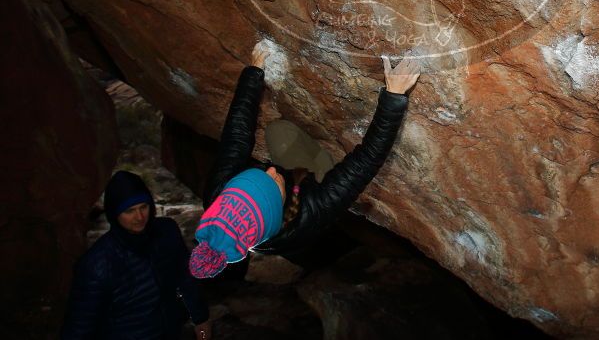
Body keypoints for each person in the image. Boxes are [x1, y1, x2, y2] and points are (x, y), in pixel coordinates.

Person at [188, 45, 420, 278]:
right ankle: (322, 163)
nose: (269, 169)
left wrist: (254, 70)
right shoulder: (305, 218)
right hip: (309, 187)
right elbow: (364, 163)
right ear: (277, 209)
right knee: (336, 175)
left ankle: (283, 175)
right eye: (271, 184)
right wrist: (394, 96)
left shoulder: (219, 193)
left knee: (278, 133)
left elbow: (236, 134)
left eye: (256, 174)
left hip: (291, 184)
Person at [62, 171, 211, 339]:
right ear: (115, 215)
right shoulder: (97, 263)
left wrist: (201, 321)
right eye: (130, 211)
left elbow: (185, 278)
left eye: (143, 207)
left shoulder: (166, 232)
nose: (139, 217)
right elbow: (80, 324)